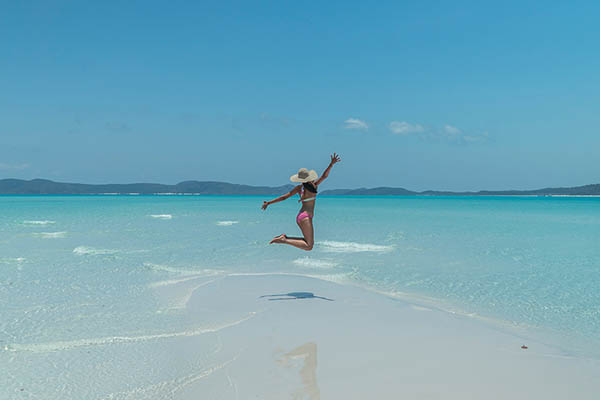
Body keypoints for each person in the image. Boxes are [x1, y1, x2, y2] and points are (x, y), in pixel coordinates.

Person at [262, 153, 341, 251]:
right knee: (309, 246)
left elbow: (284, 198)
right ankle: (284, 240)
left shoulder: (299, 188)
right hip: (306, 217)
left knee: (307, 242)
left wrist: (269, 203)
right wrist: (331, 164)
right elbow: (324, 176)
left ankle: (284, 238)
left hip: (302, 216)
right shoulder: (314, 186)